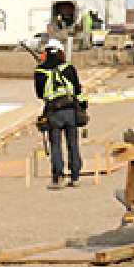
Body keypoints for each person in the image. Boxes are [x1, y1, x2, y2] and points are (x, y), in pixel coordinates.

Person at [35, 37, 83, 189]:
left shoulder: (40, 71)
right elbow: (77, 89)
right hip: (70, 110)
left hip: (53, 111)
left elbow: (39, 94)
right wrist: (83, 106)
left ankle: (58, 177)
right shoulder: (69, 68)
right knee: (73, 143)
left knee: (55, 144)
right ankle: (75, 176)